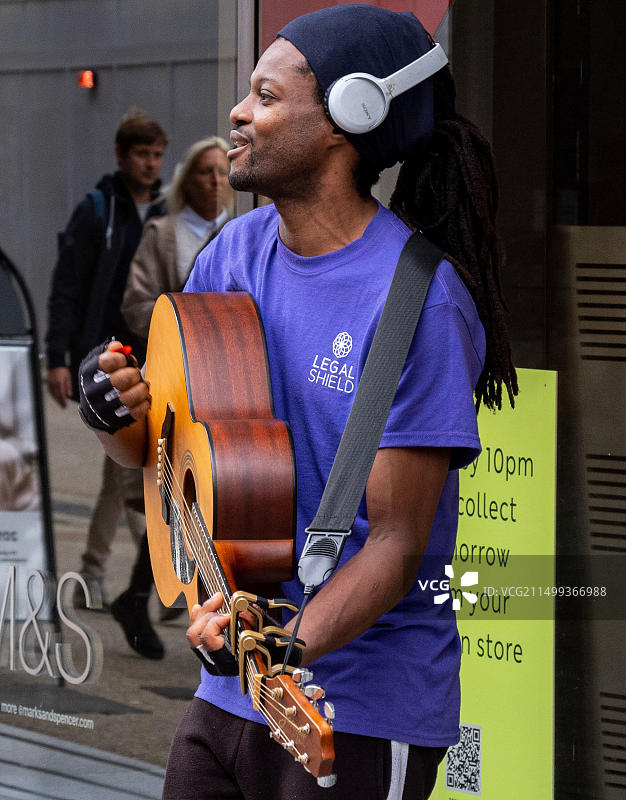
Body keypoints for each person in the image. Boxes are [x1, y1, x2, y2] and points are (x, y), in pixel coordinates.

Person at [79, 6, 517, 798]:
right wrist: (116, 412)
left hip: (357, 709)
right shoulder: (233, 256)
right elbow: (164, 452)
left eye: (267, 96)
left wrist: (284, 649)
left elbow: (395, 542)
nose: (239, 114)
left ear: (346, 121)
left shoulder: (418, 302)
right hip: (228, 688)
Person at [45, 109, 167, 616]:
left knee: (122, 477)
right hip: (108, 359)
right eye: (142, 154)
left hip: (155, 360)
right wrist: (59, 357)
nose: (151, 164)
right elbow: (67, 288)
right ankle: (136, 575)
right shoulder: (98, 209)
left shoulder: (167, 212)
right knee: (127, 477)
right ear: (122, 156)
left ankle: (121, 575)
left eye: (158, 155)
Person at [122, 136, 235, 340]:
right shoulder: (161, 233)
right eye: (205, 172)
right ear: (187, 181)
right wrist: (188, 327)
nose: (215, 181)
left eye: (222, 172)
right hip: (176, 354)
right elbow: (136, 306)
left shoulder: (242, 232)